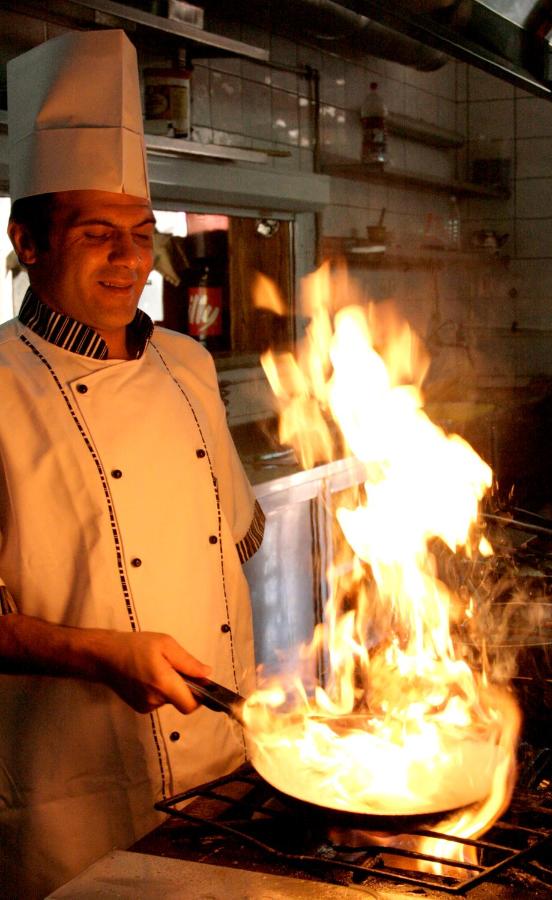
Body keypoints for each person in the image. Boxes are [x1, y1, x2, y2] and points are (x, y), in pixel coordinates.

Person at [0, 30, 264, 898]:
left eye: (141, 234)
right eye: (96, 234)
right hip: (74, 799)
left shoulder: (189, 364)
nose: (129, 259)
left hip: (227, 768)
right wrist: (101, 653)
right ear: (29, 242)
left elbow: (230, 547)